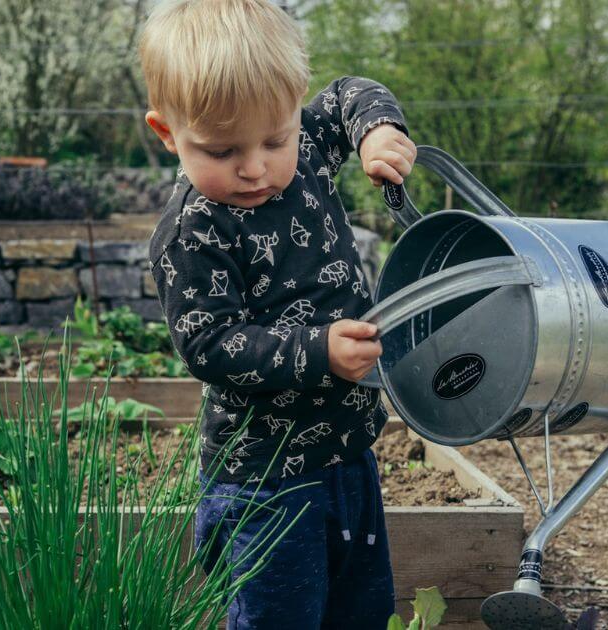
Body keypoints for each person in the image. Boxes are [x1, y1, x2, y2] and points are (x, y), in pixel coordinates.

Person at [139, 1, 416, 627]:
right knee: (278, 616)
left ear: (295, 112)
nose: (255, 167)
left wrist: (375, 130)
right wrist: (317, 351)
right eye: (221, 149)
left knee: (361, 610)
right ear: (166, 133)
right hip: (265, 480)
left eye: (275, 139)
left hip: (350, 455)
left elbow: (350, 94)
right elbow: (208, 342)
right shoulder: (194, 231)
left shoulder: (310, 146)